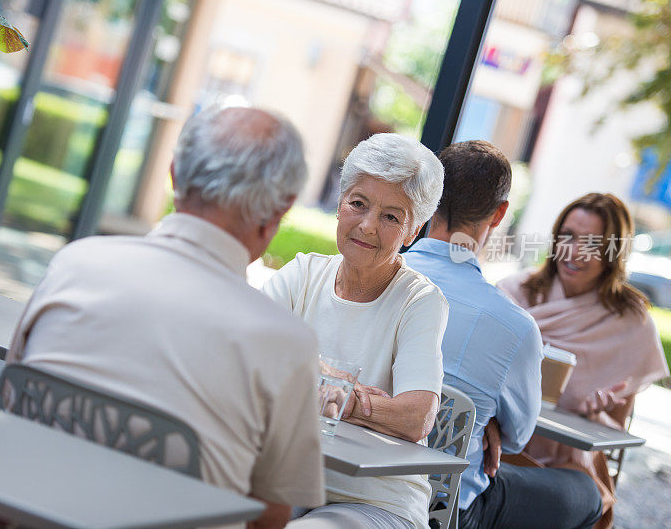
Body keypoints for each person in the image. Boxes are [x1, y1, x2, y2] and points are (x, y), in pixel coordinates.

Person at [6, 106, 325, 528]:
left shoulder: (75, 264)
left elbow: (11, 410)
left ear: (174, 175)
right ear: (279, 211)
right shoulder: (285, 342)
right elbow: (269, 515)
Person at [405, 140, 603, 529]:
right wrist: (484, 420)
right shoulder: (516, 327)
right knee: (589, 494)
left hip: (357, 480)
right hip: (448, 510)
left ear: (432, 198)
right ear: (499, 215)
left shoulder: (379, 274)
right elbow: (515, 440)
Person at [263, 133, 448, 529]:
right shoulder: (303, 272)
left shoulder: (421, 301)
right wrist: (322, 376)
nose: (366, 226)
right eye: (358, 204)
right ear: (340, 203)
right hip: (286, 480)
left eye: (390, 217)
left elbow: (417, 417)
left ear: (412, 232)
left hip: (376, 500)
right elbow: (245, 346)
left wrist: (338, 399)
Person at [498, 192, 670, 528]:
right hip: (493, 447)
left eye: (593, 243)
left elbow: (615, 431)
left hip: (563, 468)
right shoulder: (512, 294)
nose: (573, 252)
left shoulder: (630, 322)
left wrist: (596, 416)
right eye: (568, 236)